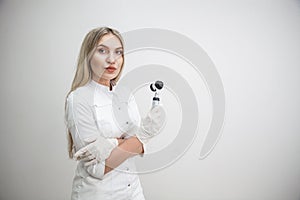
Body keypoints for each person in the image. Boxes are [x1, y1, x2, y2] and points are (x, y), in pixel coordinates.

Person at [64, 27, 166, 200]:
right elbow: (98, 168)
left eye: (118, 52)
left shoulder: (125, 93)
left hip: (133, 192)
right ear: (88, 56)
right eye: (102, 51)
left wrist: (111, 144)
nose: (112, 59)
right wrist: (142, 136)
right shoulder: (78, 99)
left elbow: (139, 148)